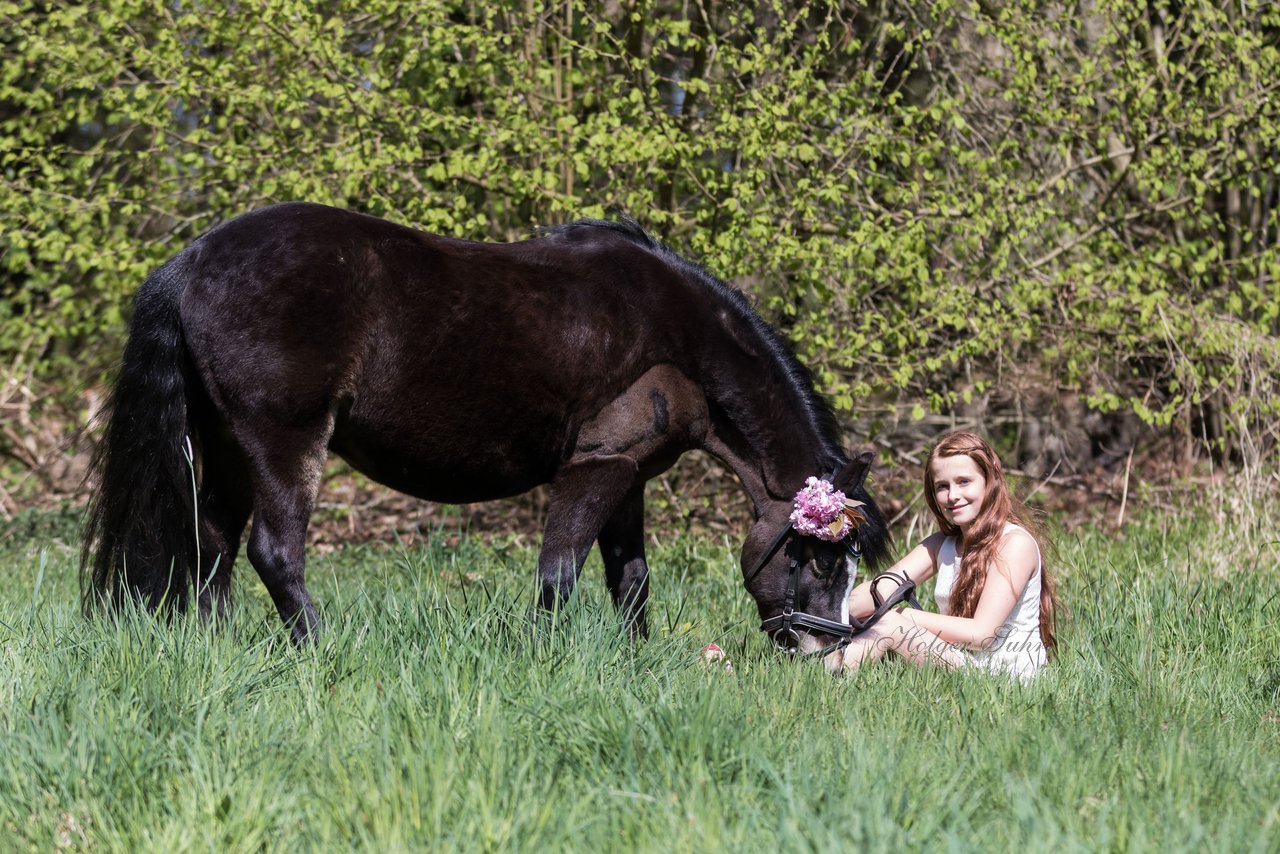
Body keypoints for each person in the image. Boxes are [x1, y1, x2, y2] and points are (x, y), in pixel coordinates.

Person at [827, 431, 1058, 680]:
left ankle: (826, 679)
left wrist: (903, 617)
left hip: (1007, 678)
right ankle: (816, 671)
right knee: (874, 624)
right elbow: (878, 591)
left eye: (964, 482)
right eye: (942, 486)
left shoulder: (1014, 543)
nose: (953, 495)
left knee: (889, 626)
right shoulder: (942, 545)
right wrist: (825, 612)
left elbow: (983, 634)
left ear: (989, 480)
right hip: (963, 665)